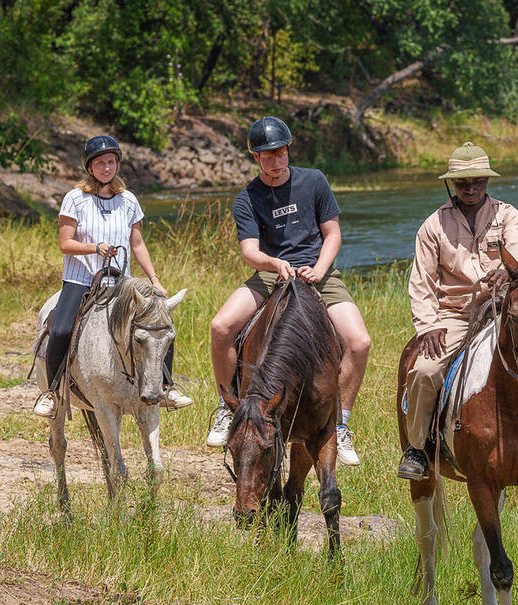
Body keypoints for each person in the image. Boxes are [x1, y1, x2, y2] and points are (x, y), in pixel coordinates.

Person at [396, 141, 518, 481]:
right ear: (452, 184)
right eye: (463, 182)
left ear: (487, 182)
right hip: (454, 314)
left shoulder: (508, 216)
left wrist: (508, 271)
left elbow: (517, 252)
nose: (470, 188)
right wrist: (428, 326)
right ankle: (418, 448)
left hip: (505, 312)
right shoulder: (433, 226)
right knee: (425, 372)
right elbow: (421, 282)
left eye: (478, 181)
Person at [207, 116, 371, 465]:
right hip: (272, 274)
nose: (276, 162)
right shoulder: (247, 197)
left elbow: (333, 233)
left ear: (288, 150)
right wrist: (274, 264)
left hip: (319, 273)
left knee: (359, 342)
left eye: (281, 154)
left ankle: (340, 425)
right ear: (256, 157)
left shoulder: (314, 181)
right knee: (220, 327)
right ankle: (226, 408)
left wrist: (321, 268)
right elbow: (250, 251)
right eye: (268, 156)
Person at [33, 134, 193, 417]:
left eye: (111, 162)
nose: (106, 168)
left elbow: (138, 244)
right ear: (90, 167)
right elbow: (65, 244)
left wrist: (155, 280)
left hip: (120, 283)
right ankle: (52, 391)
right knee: (59, 329)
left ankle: (167, 386)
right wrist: (94, 247)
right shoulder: (75, 199)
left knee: (160, 320)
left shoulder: (128, 200)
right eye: (100, 163)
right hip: (81, 280)